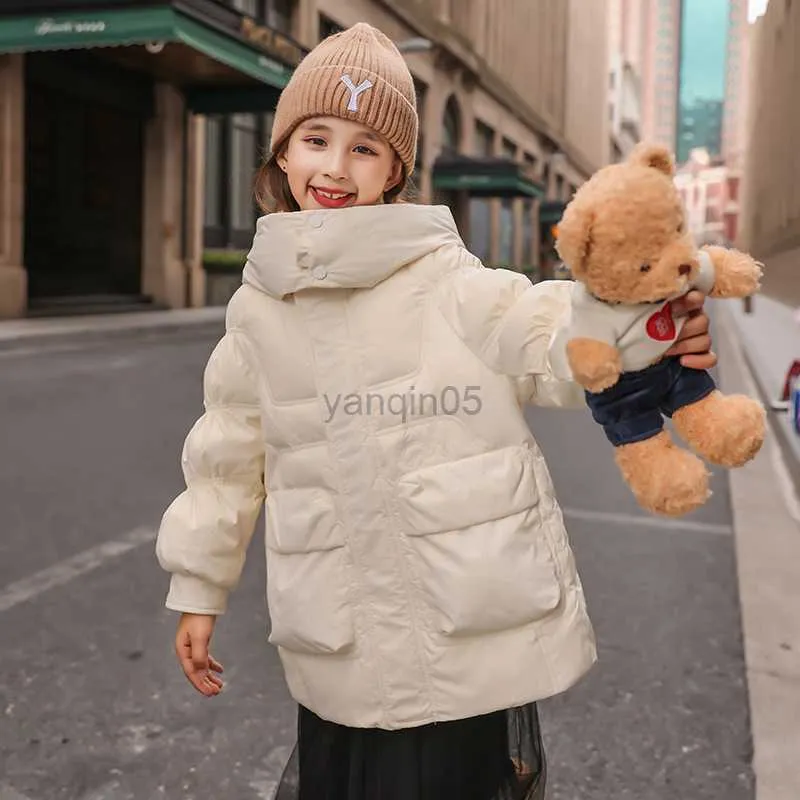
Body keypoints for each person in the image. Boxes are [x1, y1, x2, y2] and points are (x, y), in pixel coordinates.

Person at [155, 22, 717, 800]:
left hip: (459, 617)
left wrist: (639, 327)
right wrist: (197, 586)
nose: (336, 166)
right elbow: (223, 458)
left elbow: (538, 327)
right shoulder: (257, 310)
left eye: (365, 148)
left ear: (395, 172)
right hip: (340, 626)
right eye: (317, 139)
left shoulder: (445, 278)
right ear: (282, 152)